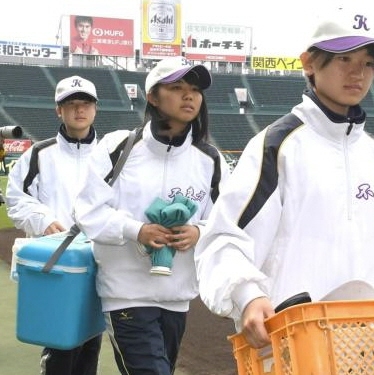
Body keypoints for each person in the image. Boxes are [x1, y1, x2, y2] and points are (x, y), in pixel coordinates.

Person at [194, 9, 374, 349]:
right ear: (309, 63)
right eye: (344, 58)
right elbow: (223, 240)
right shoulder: (276, 147)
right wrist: (247, 295)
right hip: (295, 346)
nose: (357, 73)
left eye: (368, 63)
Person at [72, 56, 230, 375]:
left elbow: (228, 222)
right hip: (125, 295)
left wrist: (199, 231)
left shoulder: (210, 160)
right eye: (176, 87)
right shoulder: (117, 148)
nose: (189, 95)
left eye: (195, 89)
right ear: (153, 97)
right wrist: (136, 231)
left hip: (177, 298)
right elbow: (87, 211)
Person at [5, 75, 102, 374]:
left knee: (91, 344)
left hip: (99, 262)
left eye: (85, 103)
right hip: (56, 264)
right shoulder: (39, 154)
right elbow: (16, 199)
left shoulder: (110, 154)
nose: (79, 110)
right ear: (58, 110)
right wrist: (44, 220)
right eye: (70, 104)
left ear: (95, 108)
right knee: (59, 346)